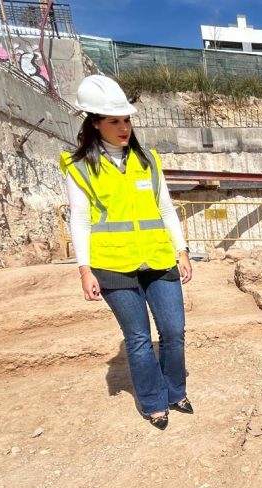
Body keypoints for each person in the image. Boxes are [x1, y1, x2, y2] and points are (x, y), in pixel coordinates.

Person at [60, 74, 192, 430]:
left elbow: (165, 208)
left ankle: (175, 391)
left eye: (127, 119)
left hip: (158, 257)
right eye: (114, 121)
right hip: (113, 265)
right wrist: (84, 269)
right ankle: (153, 402)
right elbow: (80, 220)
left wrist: (181, 249)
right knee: (137, 338)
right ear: (95, 123)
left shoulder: (148, 160)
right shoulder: (79, 167)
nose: (124, 127)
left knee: (174, 330)